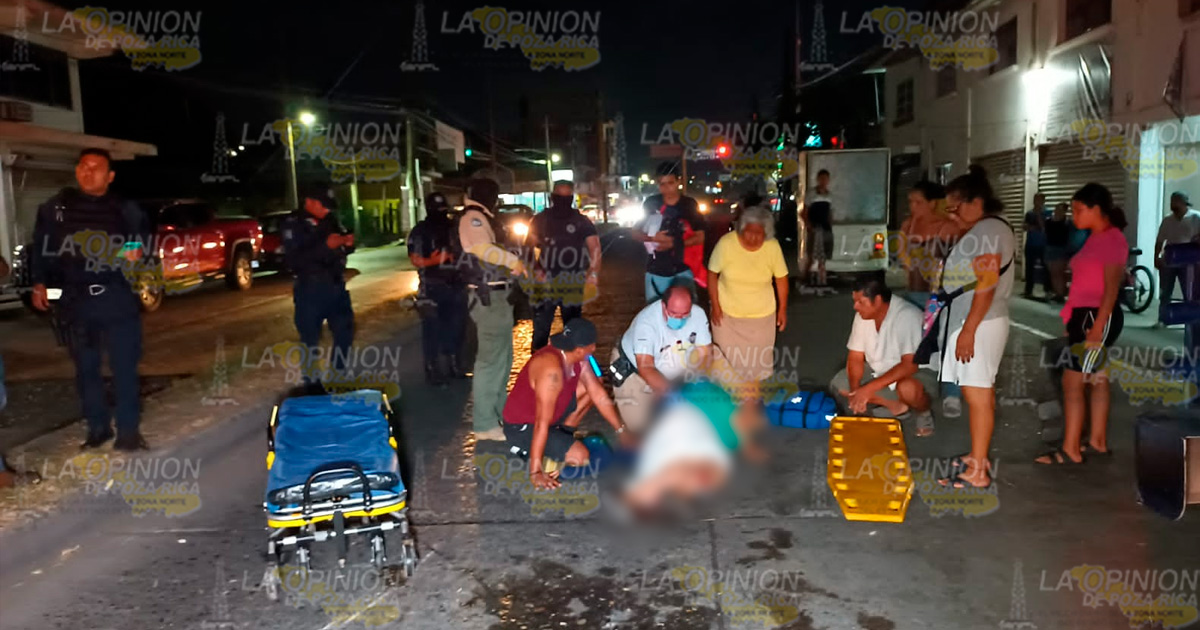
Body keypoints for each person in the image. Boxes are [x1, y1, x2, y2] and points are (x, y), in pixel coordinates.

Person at [30, 148, 151, 451]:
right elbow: (42, 247)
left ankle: (128, 432)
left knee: (124, 368)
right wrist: (39, 283)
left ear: (110, 176)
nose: (88, 172)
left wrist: (125, 252)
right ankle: (98, 428)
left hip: (116, 297)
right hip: (77, 300)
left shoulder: (125, 208)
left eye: (96, 168)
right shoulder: (55, 208)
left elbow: (139, 246)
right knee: (86, 370)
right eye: (83, 166)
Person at [936, 165, 1015, 489]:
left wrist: (968, 330)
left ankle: (978, 471)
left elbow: (985, 284)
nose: (952, 214)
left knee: (978, 395)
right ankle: (976, 456)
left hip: (980, 324)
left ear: (976, 201)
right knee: (978, 393)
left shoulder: (987, 231)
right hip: (981, 321)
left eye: (956, 206)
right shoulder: (989, 230)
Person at [1038, 184, 1129, 465]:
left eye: (1079, 210)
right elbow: (1082, 284)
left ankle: (1070, 450)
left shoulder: (1112, 240)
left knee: (1072, 381)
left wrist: (1096, 328)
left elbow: (1112, 289)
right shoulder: (1095, 238)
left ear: (1097, 210)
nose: (1074, 215)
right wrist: (1070, 318)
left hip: (1095, 316)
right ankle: (1097, 442)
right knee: (1097, 379)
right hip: (1086, 316)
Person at [501, 318, 632, 489]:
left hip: (548, 419)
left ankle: (561, 437)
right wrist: (535, 473)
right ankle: (536, 455)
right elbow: (541, 423)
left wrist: (621, 430)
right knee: (581, 457)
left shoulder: (576, 356)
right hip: (524, 427)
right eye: (592, 345)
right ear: (582, 349)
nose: (594, 348)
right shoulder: (551, 372)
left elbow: (597, 393)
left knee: (592, 387)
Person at [621, 379, 766, 519]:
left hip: (694, 417)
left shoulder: (726, 440)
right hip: (695, 416)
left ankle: (642, 497)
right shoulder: (727, 439)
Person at [458, 178, 528, 441]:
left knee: (503, 359)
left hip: (496, 296)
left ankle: (499, 414)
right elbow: (482, 248)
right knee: (490, 362)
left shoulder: (481, 216)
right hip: (487, 297)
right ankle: (485, 423)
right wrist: (513, 262)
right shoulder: (473, 218)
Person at [831, 276, 937, 437]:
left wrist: (867, 389)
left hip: (915, 372)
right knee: (840, 384)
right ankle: (895, 406)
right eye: (855, 301)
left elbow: (910, 365)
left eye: (861, 302)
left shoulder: (906, 315)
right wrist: (856, 392)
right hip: (880, 371)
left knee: (907, 388)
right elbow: (855, 357)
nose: (855, 306)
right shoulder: (863, 316)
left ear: (878, 300)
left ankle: (923, 412)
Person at [611, 278, 713, 432]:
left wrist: (693, 383)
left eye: (684, 314)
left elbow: (705, 354)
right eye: (674, 313)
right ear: (663, 306)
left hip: (674, 362)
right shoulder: (647, 323)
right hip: (636, 371)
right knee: (642, 430)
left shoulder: (698, 315)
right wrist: (674, 395)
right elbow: (646, 367)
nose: (679, 318)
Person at [707, 205, 789, 389]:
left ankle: (751, 404)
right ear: (741, 229)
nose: (752, 237)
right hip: (727, 315)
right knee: (727, 365)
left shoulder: (772, 247)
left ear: (766, 233)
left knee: (756, 365)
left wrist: (782, 310)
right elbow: (712, 274)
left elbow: (781, 279)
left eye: (758, 233)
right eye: (748, 232)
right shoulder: (727, 243)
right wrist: (716, 306)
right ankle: (728, 405)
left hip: (761, 316)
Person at [282, 183, 356, 383]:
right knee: (310, 340)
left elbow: (340, 245)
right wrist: (325, 247)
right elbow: (294, 260)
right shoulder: (294, 223)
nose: (327, 210)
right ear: (310, 202)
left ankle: (338, 376)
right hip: (310, 289)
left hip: (335, 286)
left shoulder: (330, 220)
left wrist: (347, 243)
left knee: (345, 332)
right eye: (323, 205)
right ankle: (312, 385)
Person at [528, 180, 601, 351]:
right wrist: (537, 270)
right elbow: (527, 249)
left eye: (567, 197)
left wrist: (594, 274)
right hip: (545, 284)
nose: (563, 201)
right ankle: (537, 370)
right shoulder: (540, 220)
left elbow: (595, 247)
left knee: (573, 331)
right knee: (540, 331)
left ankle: (573, 370)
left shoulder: (581, 221)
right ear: (552, 197)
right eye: (560, 197)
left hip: (572, 281)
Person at [408, 192, 467, 385]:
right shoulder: (420, 231)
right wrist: (436, 260)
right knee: (432, 330)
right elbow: (416, 260)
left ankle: (453, 365)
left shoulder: (453, 228)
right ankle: (432, 369)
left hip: (455, 284)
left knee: (456, 327)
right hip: (432, 287)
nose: (442, 214)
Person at [633, 162, 705, 302]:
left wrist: (673, 244)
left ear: (679, 181)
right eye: (662, 184)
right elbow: (634, 232)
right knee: (655, 314)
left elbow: (700, 237)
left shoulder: (689, 205)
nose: (666, 189)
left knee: (685, 311)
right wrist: (651, 238)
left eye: (670, 183)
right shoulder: (651, 203)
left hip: (683, 269)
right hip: (655, 270)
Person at [899, 181, 960, 292]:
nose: (913, 206)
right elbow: (903, 259)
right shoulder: (907, 226)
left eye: (918, 202)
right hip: (913, 290)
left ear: (932, 203)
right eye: (910, 202)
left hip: (939, 292)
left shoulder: (947, 226)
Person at [1154, 191, 1200, 328]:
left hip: (1189, 259)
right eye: (1171, 201)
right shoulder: (1168, 220)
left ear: (1183, 203)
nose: (1173, 204)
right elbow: (1160, 240)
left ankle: (1188, 320)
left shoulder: (1196, 218)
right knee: (1165, 291)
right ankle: (1163, 318)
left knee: (1189, 292)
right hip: (1170, 257)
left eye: (1176, 201)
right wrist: (1156, 257)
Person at [801, 168, 834, 287]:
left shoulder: (829, 195)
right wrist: (809, 225)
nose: (824, 181)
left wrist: (830, 224)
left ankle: (822, 280)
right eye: (822, 179)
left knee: (823, 256)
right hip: (815, 227)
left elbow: (830, 212)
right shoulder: (811, 194)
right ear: (818, 179)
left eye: (826, 179)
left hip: (826, 228)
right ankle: (805, 278)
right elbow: (803, 212)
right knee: (812, 256)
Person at [1022, 192, 1053, 299]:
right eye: (1035, 199)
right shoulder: (1029, 213)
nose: (1036, 202)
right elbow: (1025, 226)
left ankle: (1048, 289)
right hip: (1030, 244)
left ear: (1043, 201)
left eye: (1039, 200)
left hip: (1043, 244)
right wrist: (1028, 226)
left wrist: (1039, 214)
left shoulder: (1047, 212)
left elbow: (1045, 227)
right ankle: (1028, 290)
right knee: (1029, 267)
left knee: (1045, 268)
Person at [1044, 202, 1072, 302]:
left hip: (1060, 248)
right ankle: (1057, 292)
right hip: (1050, 247)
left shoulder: (1067, 222)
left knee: (1059, 272)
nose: (1057, 211)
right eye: (1057, 209)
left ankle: (1060, 293)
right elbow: (1046, 231)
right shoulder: (1049, 221)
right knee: (1052, 272)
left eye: (1060, 209)